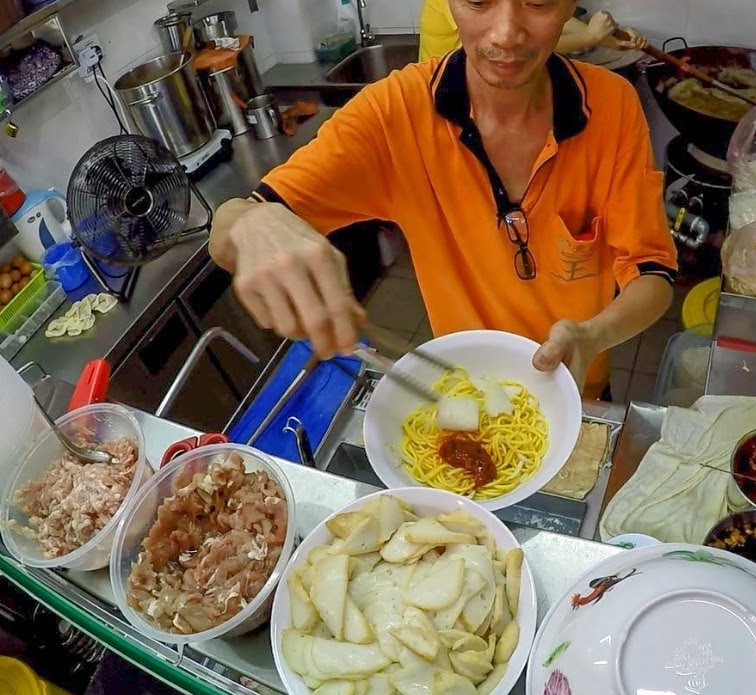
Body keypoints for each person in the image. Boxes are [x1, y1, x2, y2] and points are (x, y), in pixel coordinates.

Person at [209, 0, 677, 399]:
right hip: (466, 397)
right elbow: (229, 229)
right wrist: (250, 222)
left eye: (537, 1)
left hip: (579, 390)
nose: (506, 33)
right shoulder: (396, 114)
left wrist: (591, 335)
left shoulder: (613, 106)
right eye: (478, 0)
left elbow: (652, 273)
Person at [420, 2, 647, 63]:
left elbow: (546, 12)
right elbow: (509, 47)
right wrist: (590, 37)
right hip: (447, 89)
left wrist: (609, 40)